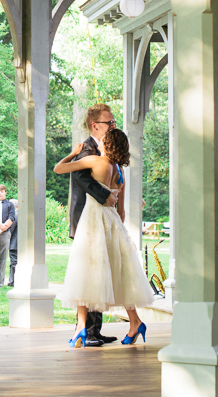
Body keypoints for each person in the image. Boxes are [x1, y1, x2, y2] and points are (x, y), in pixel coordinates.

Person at [55, 129, 153, 348]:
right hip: (112, 221)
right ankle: (135, 321)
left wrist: (73, 153)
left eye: (103, 140)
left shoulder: (95, 161)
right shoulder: (119, 170)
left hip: (92, 219)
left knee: (86, 269)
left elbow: (59, 168)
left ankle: (81, 327)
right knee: (121, 271)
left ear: (108, 144)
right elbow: (120, 207)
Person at [63, 103, 122, 346]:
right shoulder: (87, 149)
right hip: (87, 217)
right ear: (95, 125)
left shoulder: (108, 149)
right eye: (110, 122)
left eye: (114, 122)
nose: (113, 125)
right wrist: (105, 196)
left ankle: (95, 330)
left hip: (104, 216)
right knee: (89, 271)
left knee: (101, 270)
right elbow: (79, 176)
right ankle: (85, 329)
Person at [7, 199, 18, 287]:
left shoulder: (14, 215)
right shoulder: (23, 214)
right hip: (21, 243)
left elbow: (11, 229)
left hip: (14, 243)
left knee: (14, 263)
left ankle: (12, 281)